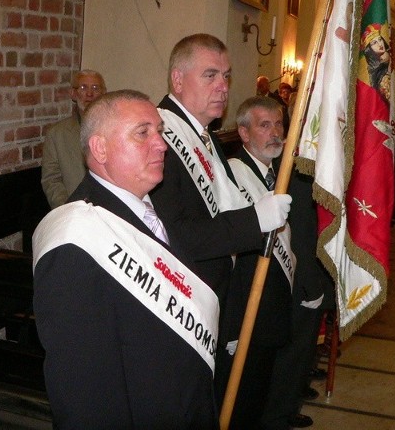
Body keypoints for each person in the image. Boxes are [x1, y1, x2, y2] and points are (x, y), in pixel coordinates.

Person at [33, 90, 219, 429]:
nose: (161, 144)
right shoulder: (75, 242)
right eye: (142, 132)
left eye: (160, 131)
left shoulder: (152, 205)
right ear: (100, 148)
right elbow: (82, 391)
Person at [149, 33, 292, 404]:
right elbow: (176, 236)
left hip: (214, 295)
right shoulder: (162, 137)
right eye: (209, 76)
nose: (223, 87)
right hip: (183, 301)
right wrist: (253, 221)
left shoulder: (204, 136)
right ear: (178, 80)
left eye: (226, 76)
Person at [219, 96, 294, 428]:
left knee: (257, 402)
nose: (275, 132)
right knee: (237, 406)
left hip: (270, 313)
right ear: (244, 133)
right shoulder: (232, 177)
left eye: (278, 124)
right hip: (244, 315)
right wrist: (232, 326)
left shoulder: (279, 173)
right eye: (264, 125)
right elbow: (231, 260)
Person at [41, 69, 106, 208]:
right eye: (83, 88)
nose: (89, 94)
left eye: (95, 88)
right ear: (73, 93)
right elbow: (51, 180)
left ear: (103, 94)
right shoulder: (56, 134)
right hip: (73, 211)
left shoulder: (115, 130)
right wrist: (67, 209)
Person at [362, 23, 391, 103]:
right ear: (369, 49)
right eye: (374, 43)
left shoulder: (390, 58)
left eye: (380, 39)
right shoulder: (376, 71)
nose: (380, 44)